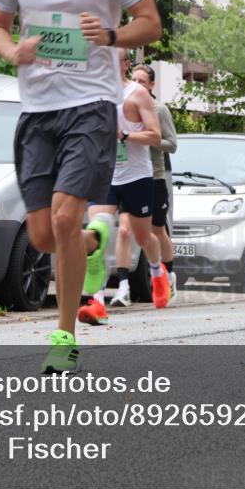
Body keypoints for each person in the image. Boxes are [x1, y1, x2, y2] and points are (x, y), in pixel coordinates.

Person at [0, 0, 161, 373]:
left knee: (64, 218)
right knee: (44, 236)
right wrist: (12, 51)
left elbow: (150, 23)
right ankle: (93, 242)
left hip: (91, 105)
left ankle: (64, 337)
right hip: (36, 110)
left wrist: (109, 35)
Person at [79, 54, 171, 325]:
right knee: (98, 233)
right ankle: (96, 301)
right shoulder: (91, 93)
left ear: (125, 64)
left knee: (143, 237)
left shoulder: (137, 94)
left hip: (137, 176)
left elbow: (155, 136)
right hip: (105, 176)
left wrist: (125, 135)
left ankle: (157, 272)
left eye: (113, 58)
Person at [123, 61, 178, 302]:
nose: (137, 84)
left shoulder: (159, 110)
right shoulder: (125, 106)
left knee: (157, 229)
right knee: (127, 229)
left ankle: (169, 275)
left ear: (152, 85)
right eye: (134, 80)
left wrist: (148, 139)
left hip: (155, 175)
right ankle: (124, 284)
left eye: (142, 81)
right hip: (130, 176)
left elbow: (172, 145)